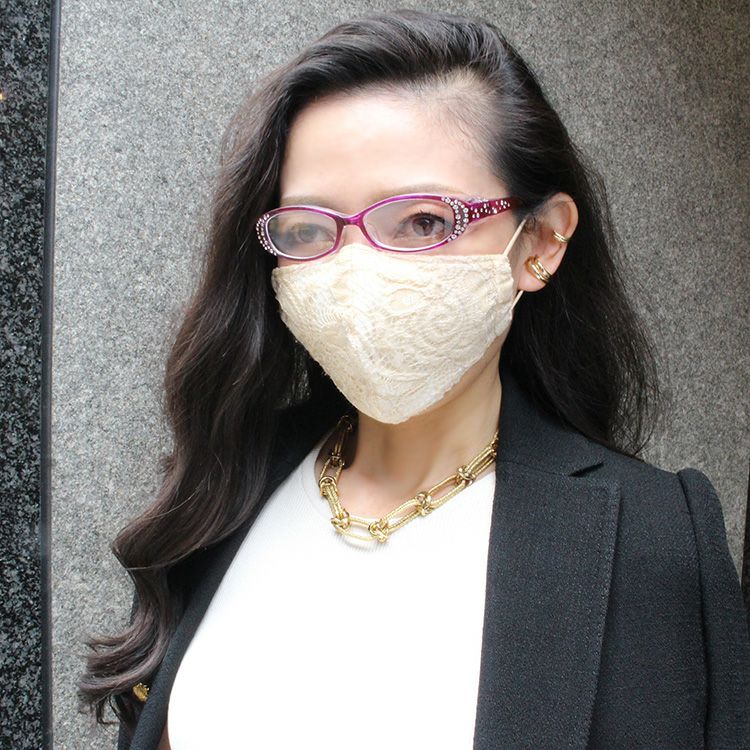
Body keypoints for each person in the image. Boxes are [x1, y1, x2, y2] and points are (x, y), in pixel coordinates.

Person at [77, 8, 750, 749]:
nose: (357, 268)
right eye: (308, 229)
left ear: (541, 240)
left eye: (424, 221)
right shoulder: (226, 490)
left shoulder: (654, 536)